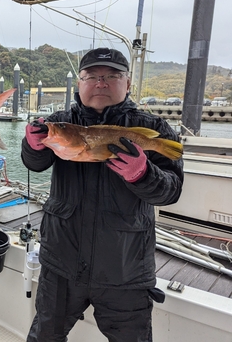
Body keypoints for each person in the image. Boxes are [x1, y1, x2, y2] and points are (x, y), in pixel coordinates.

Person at [22, 47, 184, 342]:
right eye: (92, 76)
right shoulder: (60, 123)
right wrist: (32, 147)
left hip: (126, 269)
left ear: (128, 83)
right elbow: (37, 163)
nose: (101, 82)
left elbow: (171, 190)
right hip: (62, 263)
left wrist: (143, 175)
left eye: (112, 75)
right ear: (80, 82)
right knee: (44, 336)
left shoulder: (153, 129)